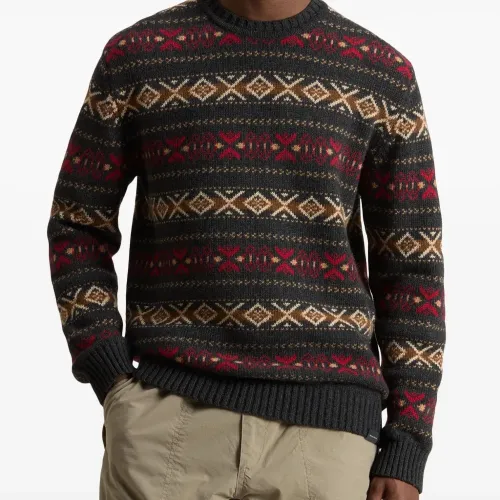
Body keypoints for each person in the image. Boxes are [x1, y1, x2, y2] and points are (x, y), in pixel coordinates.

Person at [46, 0, 446, 498]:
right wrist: (109, 372)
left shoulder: (381, 73)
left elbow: (411, 267)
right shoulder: (138, 55)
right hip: (165, 422)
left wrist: (407, 443)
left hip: (327, 436)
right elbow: (77, 223)